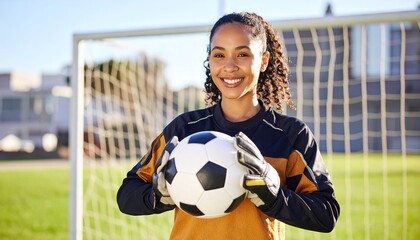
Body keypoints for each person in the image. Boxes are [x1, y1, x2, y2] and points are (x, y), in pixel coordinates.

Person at [117, 11, 340, 240]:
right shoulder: (183, 130)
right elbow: (126, 195)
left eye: (242, 54)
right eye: (219, 55)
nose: (230, 66)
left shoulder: (290, 135)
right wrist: (157, 196)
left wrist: (274, 198)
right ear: (210, 60)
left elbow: (326, 214)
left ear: (263, 61)